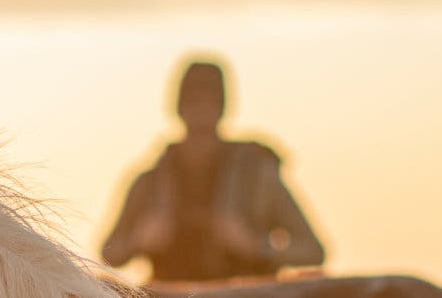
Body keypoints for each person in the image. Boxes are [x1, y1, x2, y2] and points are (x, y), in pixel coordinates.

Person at [100, 57, 324, 281]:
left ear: (223, 105)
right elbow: (108, 254)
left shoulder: (258, 178)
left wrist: (256, 247)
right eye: (193, 100)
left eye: (210, 100)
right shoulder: (150, 181)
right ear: (179, 106)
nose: (202, 108)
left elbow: (314, 250)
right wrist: (139, 240)